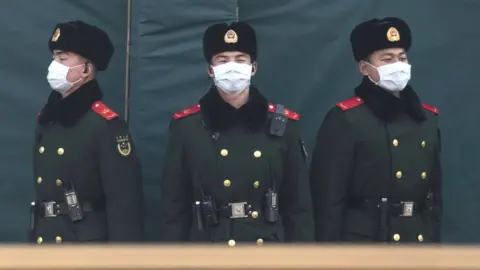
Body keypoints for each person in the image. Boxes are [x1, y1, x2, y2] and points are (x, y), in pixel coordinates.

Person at [159, 22, 314, 245]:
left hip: (266, 248)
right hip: (208, 249)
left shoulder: (283, 125)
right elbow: (174, 209)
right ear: (210, 70)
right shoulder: (187, 127)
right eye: (222, 60)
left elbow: (299, 208)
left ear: (253, 67)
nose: (232, 67)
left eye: (241, 59)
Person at [309, 17, 442, 243]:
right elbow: (327, 200)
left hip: (416, 239)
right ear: (364, 68)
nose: (397, 65)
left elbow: (435, 197)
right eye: (387, 59)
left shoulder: (426, 118)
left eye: (402, 57)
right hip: (366, 242)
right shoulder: (346, 119)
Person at [31, 20, 144, 244]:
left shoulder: (105, 125)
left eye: (63, 59)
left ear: (86, 68)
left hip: (84, 245)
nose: (55, 65)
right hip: (45, 241)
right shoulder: (47, 120)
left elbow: (124, 203)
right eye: (54, 57)